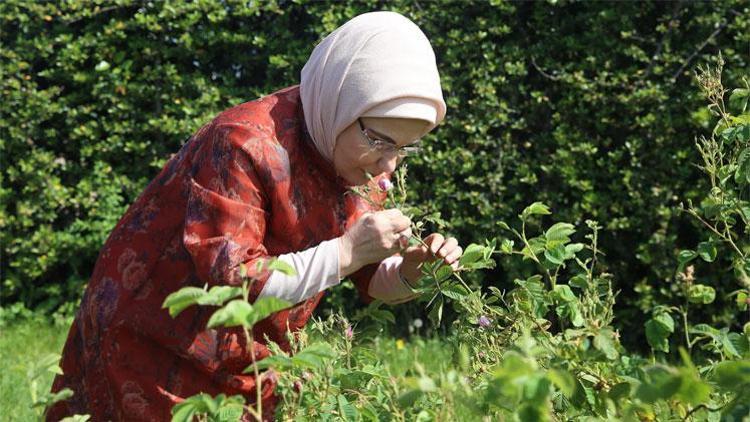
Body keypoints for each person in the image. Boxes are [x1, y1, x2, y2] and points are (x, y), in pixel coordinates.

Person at [48, 11, 462, 421]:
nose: (389, 166)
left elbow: (368, 275)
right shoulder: (243, 144)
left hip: (247, 362)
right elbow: (235, 280)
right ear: (342, 101)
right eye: (380, 141)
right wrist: (349, 251)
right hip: (153, 345)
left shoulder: (354, 159)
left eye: (406, 149)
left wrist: (409, 272)